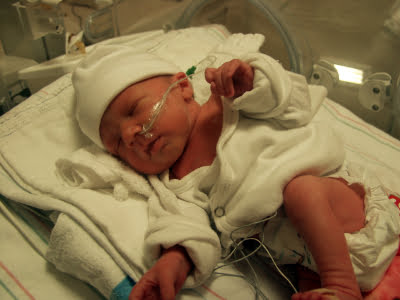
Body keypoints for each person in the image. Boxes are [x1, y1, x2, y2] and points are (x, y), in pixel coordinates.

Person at [72, 38, 400, 300]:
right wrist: (173, 261)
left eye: (133, 110)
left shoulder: (229, 101)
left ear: (183, 88)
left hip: (341, 206)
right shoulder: (173, 184)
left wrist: (253, 80)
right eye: (116, 142)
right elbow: (185, 225)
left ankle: (343, 286)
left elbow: (293, 103)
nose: (131, 134)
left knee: (300, 192)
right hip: (305, 259)